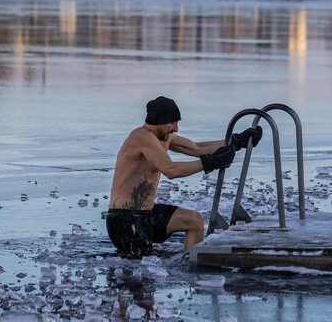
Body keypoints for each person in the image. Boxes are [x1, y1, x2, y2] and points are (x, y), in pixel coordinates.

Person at [106, 96, 262, 258]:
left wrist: (236, 141)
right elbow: (171, 170)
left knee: (194, 220)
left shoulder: (165, 137)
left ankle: (190, 265)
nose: (176, 128)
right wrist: (212, 162)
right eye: (172, 123)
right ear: (158, 120)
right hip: (124, 219)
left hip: (148, 214)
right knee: (144, 269)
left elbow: (198, 148)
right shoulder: (140, 136)